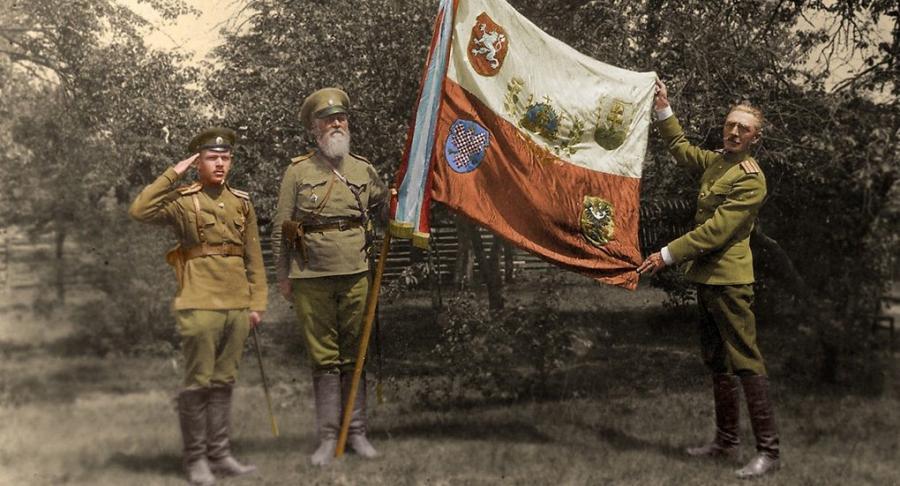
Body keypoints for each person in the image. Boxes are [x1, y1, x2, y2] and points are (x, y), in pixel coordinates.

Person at [637, 79, 780, 479]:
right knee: (717, 361)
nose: (733, 132)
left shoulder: (751, 177)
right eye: (730, 125)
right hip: (708, 279)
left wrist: (665, 255)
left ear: (756, 137)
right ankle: (726, 441)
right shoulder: (720, 162)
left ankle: (769, 453)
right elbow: (683, 150)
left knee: (746, 360)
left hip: (731, 282)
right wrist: (663, 107)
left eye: (743, 129)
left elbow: (715, 232)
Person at [129, 128, 267, 485]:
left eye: (225, 158)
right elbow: (139, 209)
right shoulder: (181, 200)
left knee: (224, 381)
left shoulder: (242, 202)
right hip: (200, 301)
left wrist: (258, 302)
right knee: (198, 382)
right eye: (211, 158)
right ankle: (196, 461)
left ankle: (220, 456)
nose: (220, 164)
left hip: (237, 303)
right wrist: (173, 172)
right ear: (198, 163)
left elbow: (253, 256)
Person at [270, 87, 388, 466]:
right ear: (314, 129)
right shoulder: (298, 171)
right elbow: (281, 227)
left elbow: (386, 212)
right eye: (327, 120)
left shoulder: (364, 169)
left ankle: (357, 433)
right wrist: (282, 276)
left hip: (356, 272)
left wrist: (403, 197)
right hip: (311, 275)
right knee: (324, 358)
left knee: (355, 354)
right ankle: (326, 438)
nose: (336, 124)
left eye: (341, 119)